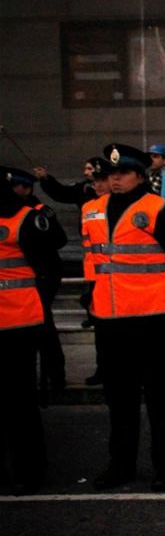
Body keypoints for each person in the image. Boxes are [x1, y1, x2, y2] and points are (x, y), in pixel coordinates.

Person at [87, 144, 165, 492]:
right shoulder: (92, 210)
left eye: (123, 173)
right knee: (119, 400)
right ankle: (121, 465)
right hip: (110, 319)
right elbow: (95, 262)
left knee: (160, 400)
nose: (115, 179)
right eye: (111, 174)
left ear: (139, 175)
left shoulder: (158, 209)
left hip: (152, 320)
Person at [0, 174, 65, 495]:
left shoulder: (25, 219)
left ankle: (29, 471)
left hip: (18, 324)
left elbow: (48, 268)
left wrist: (39, 307)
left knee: (19, 403)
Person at [3, 167, 67, 392]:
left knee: (45, 328)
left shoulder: (39, 211)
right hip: (25, 284)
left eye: (15, 187)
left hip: (42, 278)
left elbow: (58, 241)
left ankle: (56, 374)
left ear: (26, 188)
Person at [78, 158, 111, 386]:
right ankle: (103, 369)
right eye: (95, 181)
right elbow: (88, 247)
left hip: (119, 276)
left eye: (102, 180)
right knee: (101, 331)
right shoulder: (87, 207)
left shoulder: (118, 206)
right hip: (96, 278)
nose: (98, 185)